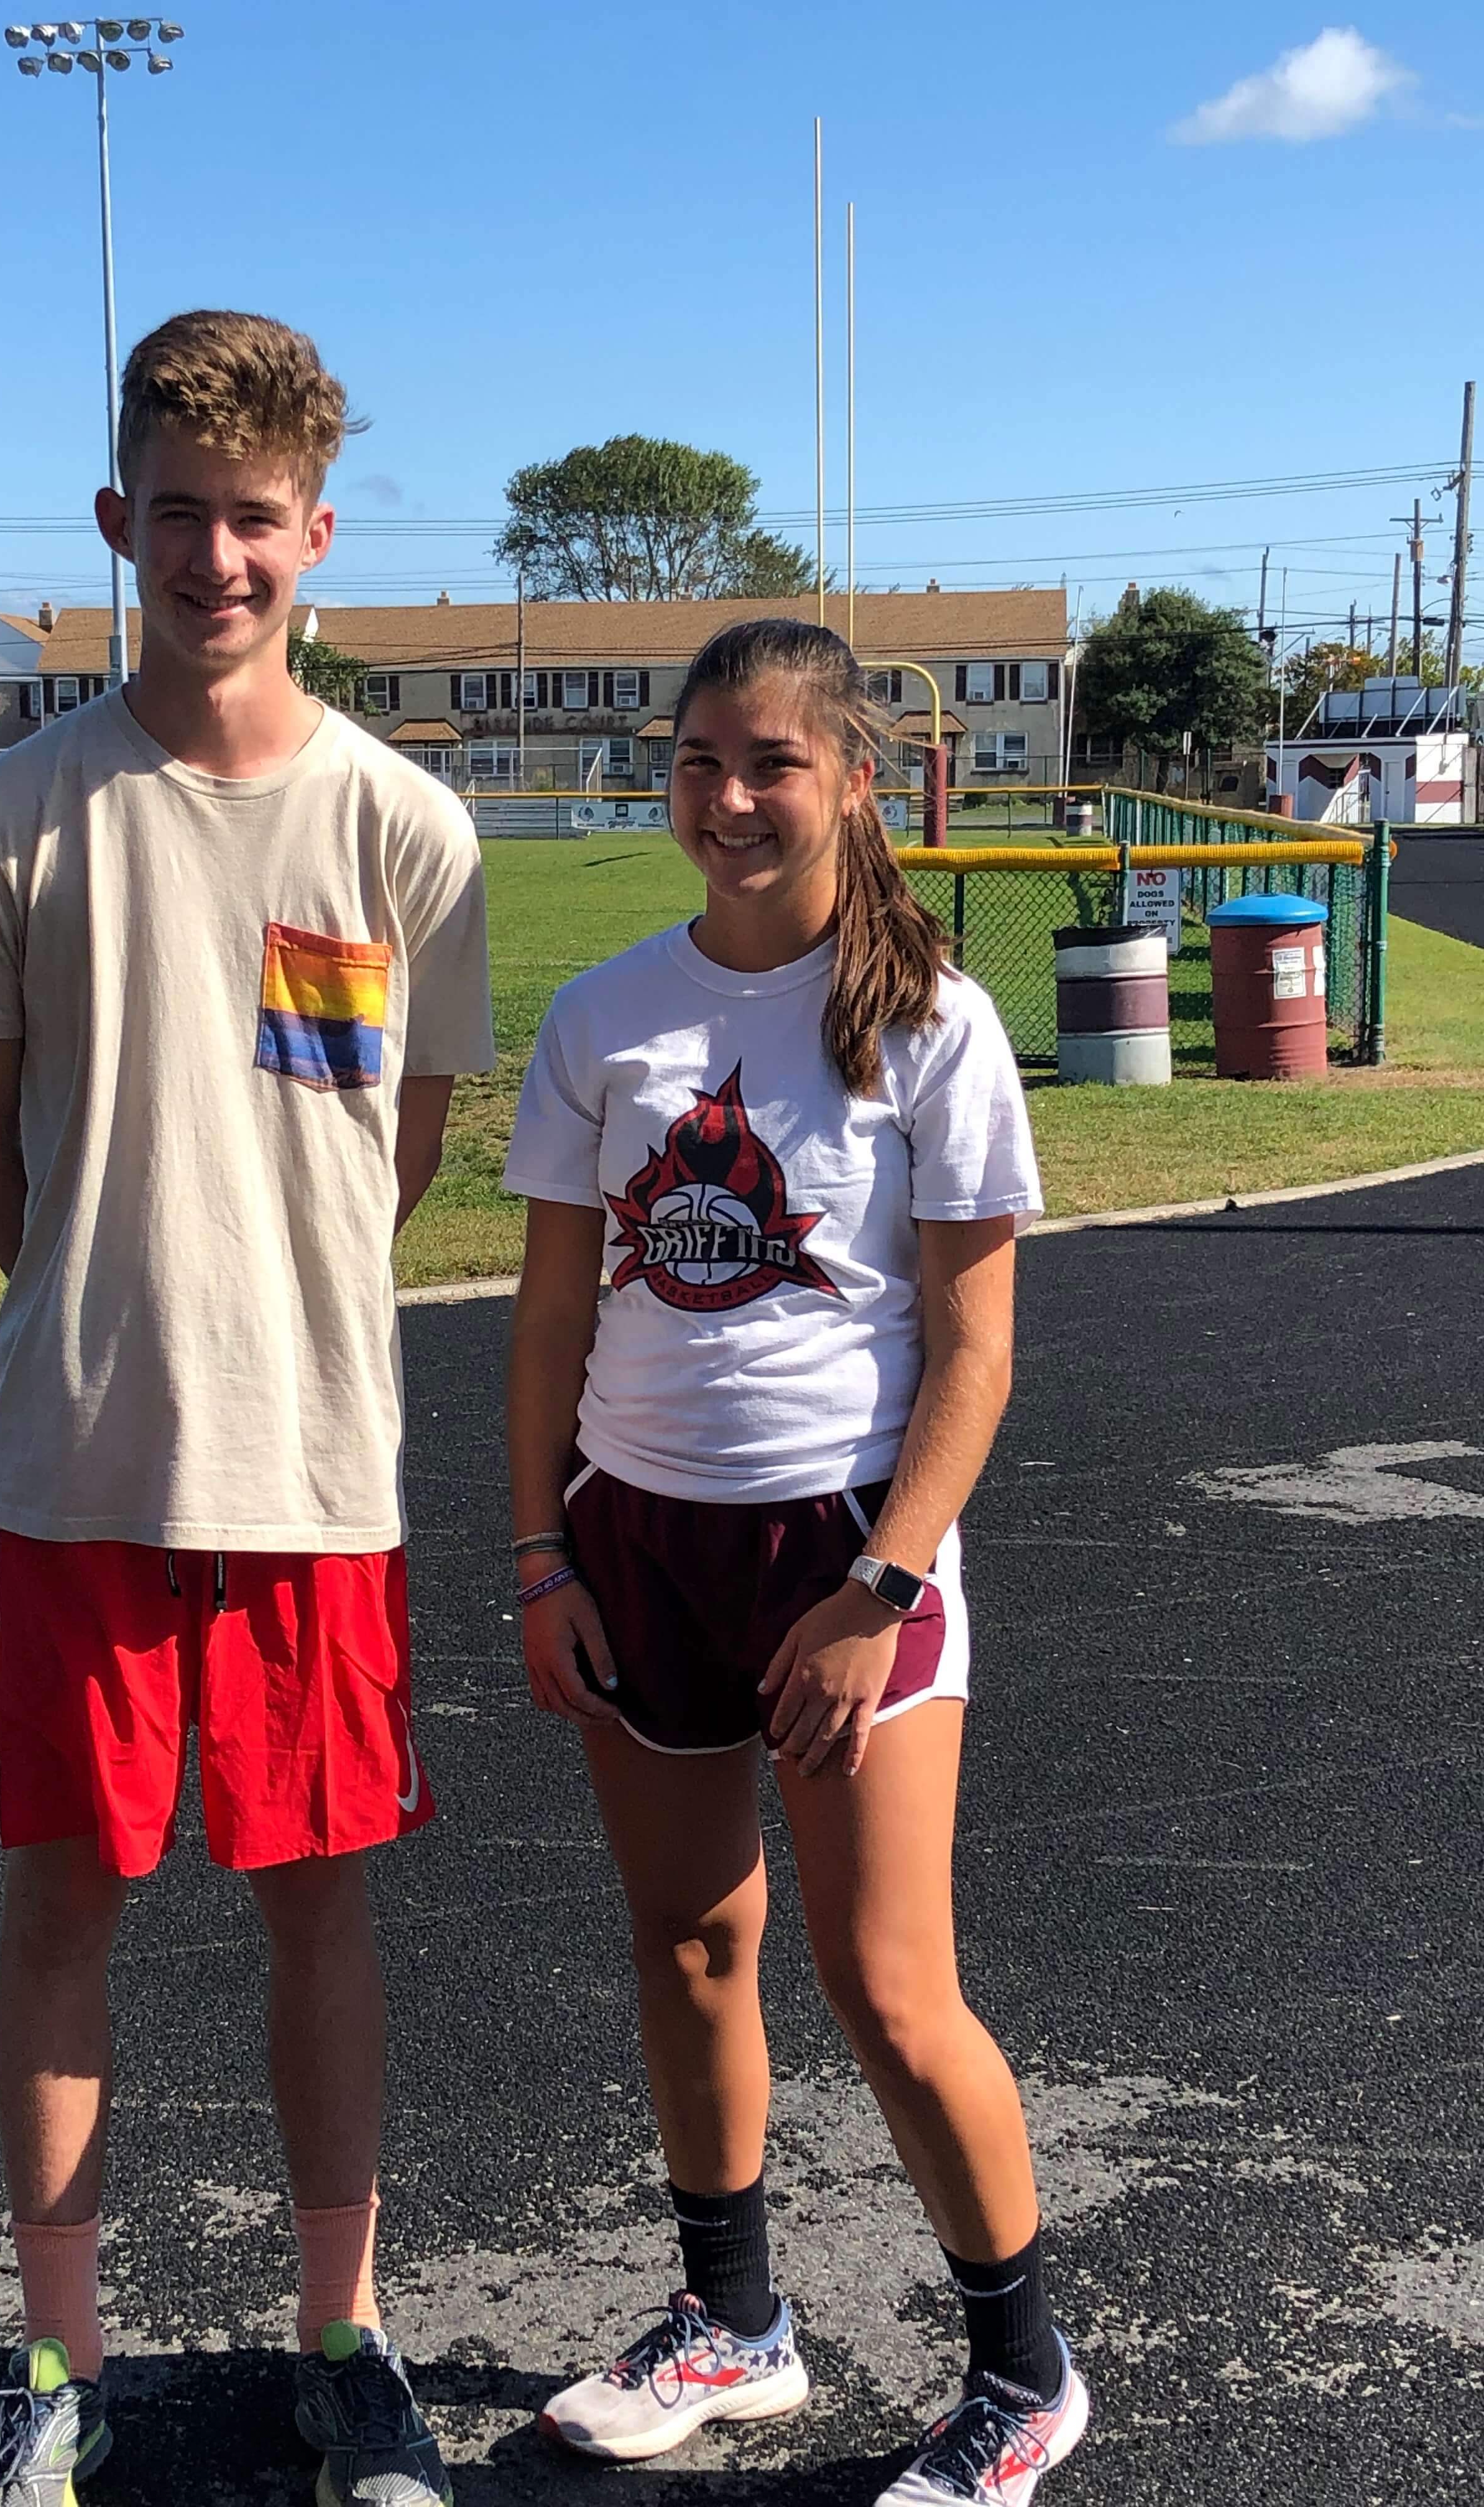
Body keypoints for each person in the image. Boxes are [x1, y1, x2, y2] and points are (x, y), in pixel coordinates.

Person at [0, 308, 493, 2507]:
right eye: (180, 514)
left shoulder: (405, 828)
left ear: (316, 533)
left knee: (318, 1907)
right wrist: (112, 1305)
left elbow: (396, 1158)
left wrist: (261, 1323)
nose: (218, 556)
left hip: (317, 1473)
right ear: (115, 526)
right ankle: (53, 2368)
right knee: (64, 1899)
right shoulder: (10, 816)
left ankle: (340, 2343)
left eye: (257, 519)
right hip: (73, 1464)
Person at [502, 617, 1089, 2504]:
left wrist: (884, 1591)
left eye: (770, 763)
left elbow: (978, 1350)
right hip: (633, 1541)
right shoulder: (604, 1016)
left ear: (853, 781)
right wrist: (539, 1556)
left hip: (844, 1553)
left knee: (890, 1987)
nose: (729, 800)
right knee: (689, 1948)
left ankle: (1024, 2376)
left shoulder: (930, 1023)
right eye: (699, 762)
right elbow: (541, 1321)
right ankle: (735, 2328)